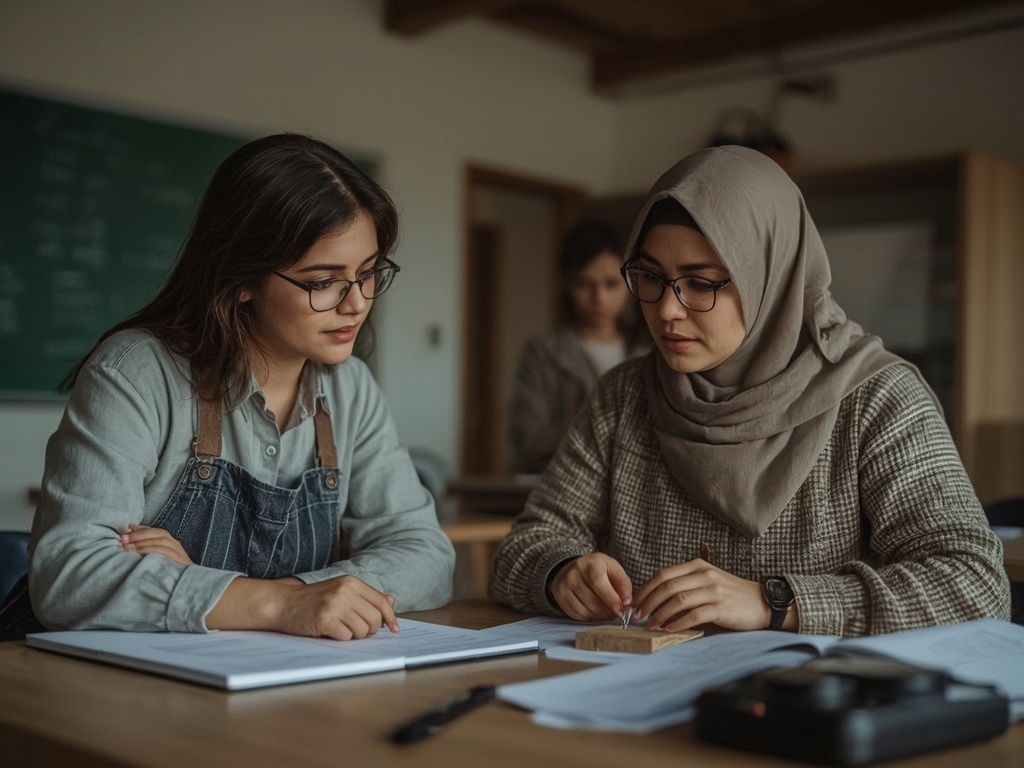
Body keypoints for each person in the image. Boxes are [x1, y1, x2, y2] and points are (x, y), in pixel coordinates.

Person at [491, 145, 1011, 637]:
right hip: (631, 701)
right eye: (649, 276)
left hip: (803, 713)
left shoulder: (875, 397)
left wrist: (777, 602)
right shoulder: (625, 395)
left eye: (701, 283)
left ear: (772, 279)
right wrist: (560, 572)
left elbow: (974, 584)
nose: (667, 309)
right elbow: (524, 545)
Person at [2, 133, 455, 641]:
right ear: (242, 277)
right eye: (323, 281)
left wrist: (259, 594)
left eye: (369, 273)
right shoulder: (136, 373)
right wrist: (277, 602)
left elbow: (426, 556)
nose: (356, 303)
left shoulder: (351, 388)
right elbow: (67, 576)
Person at [506, 220, 650, 473]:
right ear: (567, 284)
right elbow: (527, 439)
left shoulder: (648, 353)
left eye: (611, 284)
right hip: (561, 483)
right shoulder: (544, 352)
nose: (599, 298)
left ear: (630, 282)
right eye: (584, 284)